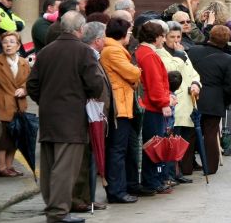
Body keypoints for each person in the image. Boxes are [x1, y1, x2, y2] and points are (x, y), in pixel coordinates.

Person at [27, 11, 105, 223]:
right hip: (71, 118)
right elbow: (95, 84)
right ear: (81, 29)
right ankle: (58, 212)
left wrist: (46, 101)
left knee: (50, 164)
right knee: (64, 168)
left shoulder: (45, 52)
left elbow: (32, 85)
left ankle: (54, 207)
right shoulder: (84, 52)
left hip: (48, 116)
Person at [71, 22, 112, 213]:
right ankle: (78, 199)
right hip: (86, 114)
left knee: (90, 158)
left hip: (96, 114)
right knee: (82, 159)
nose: (106, 41)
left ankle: (87, 198)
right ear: (97, 40)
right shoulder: (86, 56)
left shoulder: (95, 55)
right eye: (104, 37)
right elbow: (92, 84)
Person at [100, 18, 141, 204]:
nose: (130, 35)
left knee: (119, 149)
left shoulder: (113, 49)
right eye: (129, 32)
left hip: (122, 104)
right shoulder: (113, 50)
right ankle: (117, 191)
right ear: (122, 33)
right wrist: (136, 72)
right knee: (117, 150)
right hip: (119, 106)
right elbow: (133, 73)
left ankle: (120, 188)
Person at [188, 25, 231, 174]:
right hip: (214, 100)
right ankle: (210, 167)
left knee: (190, 132)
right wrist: (224, 99)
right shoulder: (228, 59)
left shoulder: (193, 51)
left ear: (210, 36)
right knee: (211, 133)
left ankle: (186, 167)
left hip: (193, 96)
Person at [135, 21, 175, 194]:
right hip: (153, 108)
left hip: (151, 105)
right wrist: (164, 102)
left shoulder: (142, 52)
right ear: (157, 37)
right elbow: (155, 83)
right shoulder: (149, 55)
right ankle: (153, 181)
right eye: (162, 36)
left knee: (152, 144)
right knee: (154, 146)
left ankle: (153, 180)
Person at [157, 20, 201, 179]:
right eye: (172, 37)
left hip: (187, 102)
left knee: (181, 140)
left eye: (178, 36)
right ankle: (169, 173)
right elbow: (172, 70)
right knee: (170, 139)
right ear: (165, 37)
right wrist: (179, 55)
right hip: (174, 102)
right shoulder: (161, 53)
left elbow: (193, 72)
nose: (176, 40)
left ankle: (177, 171)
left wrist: (196, 83)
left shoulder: (183, 52)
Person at [0, 32, 30, 177]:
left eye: (12, 42)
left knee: (16, 137)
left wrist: (25, 89)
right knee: (2, 138)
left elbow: (30, 81)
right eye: (5, 42)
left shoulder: (24, 62)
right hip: (0, 105)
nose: (8, 45)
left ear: (18, 45)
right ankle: (0, 167)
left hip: (18, 105)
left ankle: (9, 166)